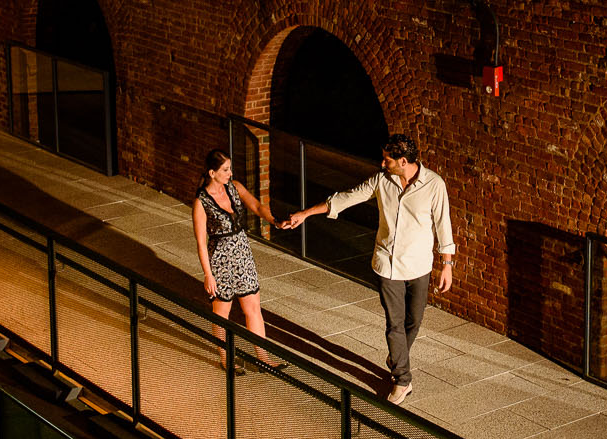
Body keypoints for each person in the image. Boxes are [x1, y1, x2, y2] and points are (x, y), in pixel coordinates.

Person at [281, 132, 455, 405]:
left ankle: (397, 356)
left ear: (404, 161)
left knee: (414, 322)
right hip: (387, 264)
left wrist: (447, 265)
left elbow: (443, 225)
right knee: (395, 324)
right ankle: (402, 379)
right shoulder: (380, 180)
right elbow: (345, 199)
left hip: (419, 265)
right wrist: (305, 213)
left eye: (387, 160)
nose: (382, 163)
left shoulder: (434, 185)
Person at [192, 149, 285, 372]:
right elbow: (201, 242)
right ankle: (225, 358)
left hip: (242, 254)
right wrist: (208, 274)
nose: (230, 173)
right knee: (222, 312)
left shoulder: (235, 187)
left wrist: (274, 220)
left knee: (253, 307)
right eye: (225, 170)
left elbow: (257, 206)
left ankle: (263, 358)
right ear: (212, 172)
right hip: (221, 259)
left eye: (230, 168)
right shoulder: (201, 202)